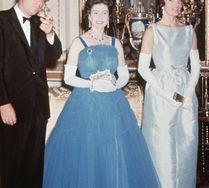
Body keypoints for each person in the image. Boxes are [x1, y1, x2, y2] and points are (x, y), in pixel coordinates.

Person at [43, 0, 160, 187]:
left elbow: (123, 75)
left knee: (115, 151)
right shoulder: (78, 43)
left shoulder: (116, 43)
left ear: (108, 18)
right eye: (95, 13)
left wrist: (113, 85)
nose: (100, 17)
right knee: (86, 155)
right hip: (85, 105)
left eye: (104, 13)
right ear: (88, 17)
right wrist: (93, 84)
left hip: (113, 105)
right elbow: (68, 78)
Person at [138, 0, 201, 187]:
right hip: (161, 93)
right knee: (162, 146)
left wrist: (188, 94)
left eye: (180, 0)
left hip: (185, 91)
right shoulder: (153, 31)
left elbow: (196, 65)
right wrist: (166, 95)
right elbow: (143, 68)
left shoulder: (189, 30)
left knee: (187, 144)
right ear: (162, 3)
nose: (177, 4)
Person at [0, 0, 62, 187]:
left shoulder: (39, 23)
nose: (39, 3)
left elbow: (55, 54)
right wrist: (3, 103)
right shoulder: (2, 21)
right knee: (11, 168)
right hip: (11, 107)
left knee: (34, 169)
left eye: (43, 0)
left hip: (38, 107)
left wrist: (50, 33)